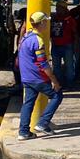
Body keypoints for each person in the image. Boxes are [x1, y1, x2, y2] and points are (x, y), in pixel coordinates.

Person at [17, 12, 63, 140]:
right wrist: (54, 80)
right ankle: (43, 123)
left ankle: (23, 132)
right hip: (38, 77)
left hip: (26, 77)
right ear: (41, 23)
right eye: (46, 22)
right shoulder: (38, 40)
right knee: (57, 95)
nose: (47, 24)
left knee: (28, 104)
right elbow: (43, 63)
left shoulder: (26, 37)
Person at [50, 1, 77, 89]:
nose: (57, 9)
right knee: (56, 66)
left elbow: (75, 33)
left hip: (67, 45)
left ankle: (70, 84)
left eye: (59, 8)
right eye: (57, 8)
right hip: (55, 45)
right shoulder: (53, 18)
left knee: (69, 66)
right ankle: (59, 83)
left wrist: (76, 46)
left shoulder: (70, 19)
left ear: (64, 9)